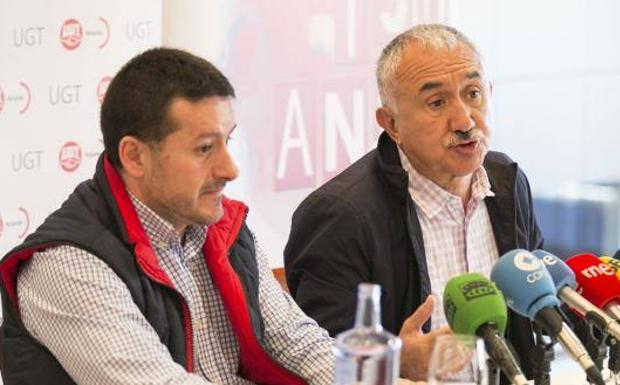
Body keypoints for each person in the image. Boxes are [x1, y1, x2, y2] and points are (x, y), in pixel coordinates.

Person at [0, 48, 337, 385]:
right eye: (205, 148)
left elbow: (300, 344)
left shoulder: (221, 228)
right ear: (134, 157)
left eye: (228, 140)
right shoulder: (67, 266)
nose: (230, 169)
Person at [284, 24, 543, 381]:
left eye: (473, 93)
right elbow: (314, 361)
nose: (465, 120)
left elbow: (537, 305)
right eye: (437, 102)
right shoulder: (339, 216)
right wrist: (396, 362)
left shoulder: (507, 182)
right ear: (391, 123)